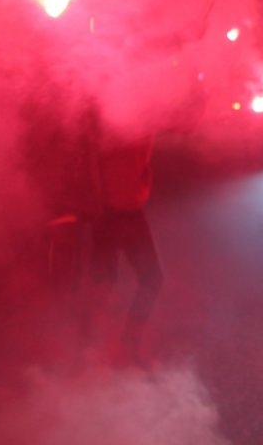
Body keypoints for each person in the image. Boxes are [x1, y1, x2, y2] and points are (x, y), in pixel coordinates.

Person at [85, 123, 163, 366]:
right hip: (110, 213)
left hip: (129, 211)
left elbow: (142, 167)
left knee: (143, 279)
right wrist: (98, 207)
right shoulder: (112, 115)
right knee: (105, 283)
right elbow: (93, 163)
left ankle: (123, 347)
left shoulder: (145, 120)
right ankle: (86, 351)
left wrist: (142, 189)